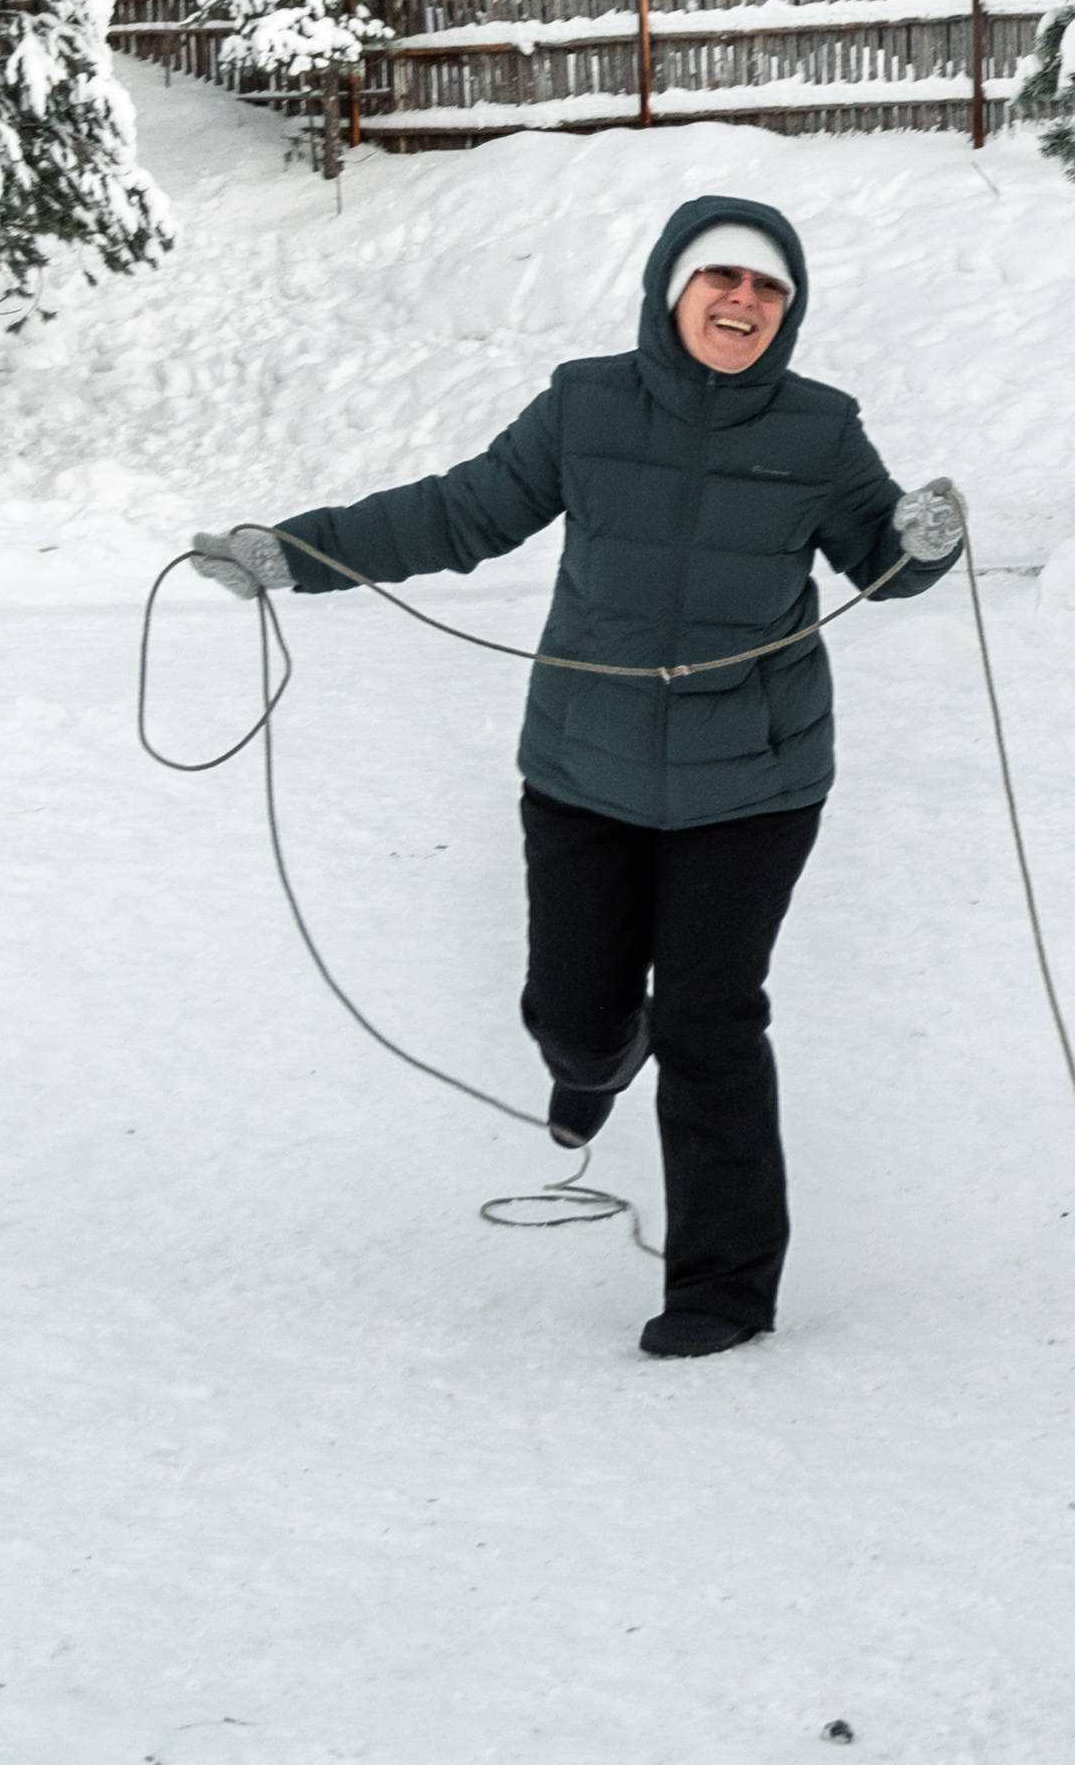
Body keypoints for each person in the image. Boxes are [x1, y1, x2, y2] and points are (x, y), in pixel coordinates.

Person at [192, 189, 961, 1360]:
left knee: (713, 1021)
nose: (742, 302)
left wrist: (922, 540)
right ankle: (596, 1057)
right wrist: (295, 554)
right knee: (574, 1014)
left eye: (766, 288)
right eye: (722, 279)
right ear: (673, 289)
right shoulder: (586, 404)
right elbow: (461, 513)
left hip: (751, 784)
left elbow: (877, 558)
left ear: (787, 312)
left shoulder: (819, 431)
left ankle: (722, 1289)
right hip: (582, 772)